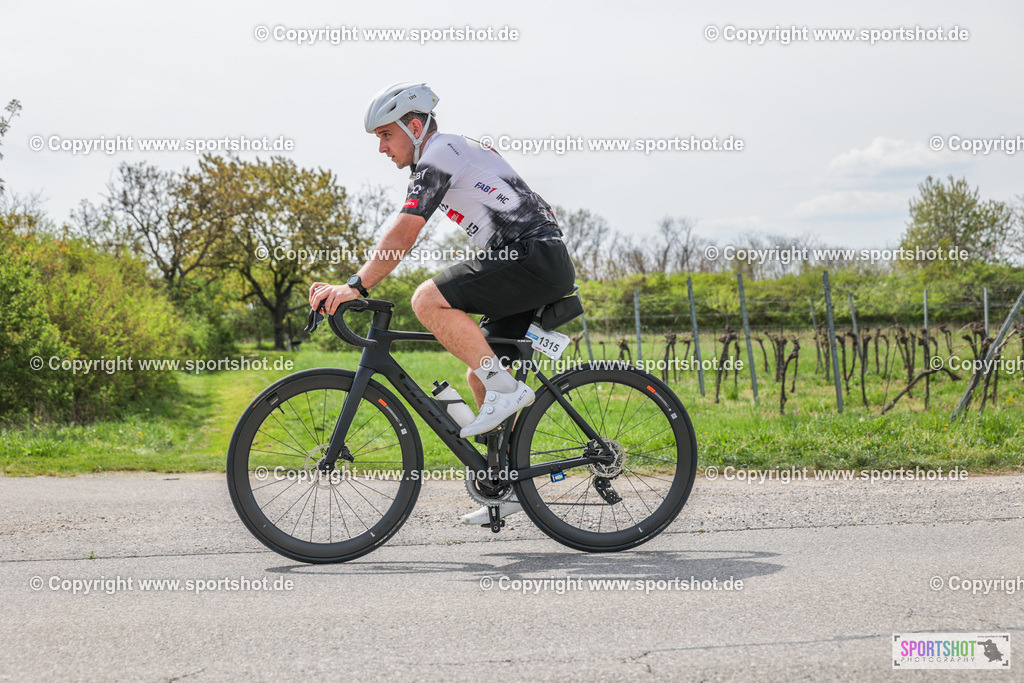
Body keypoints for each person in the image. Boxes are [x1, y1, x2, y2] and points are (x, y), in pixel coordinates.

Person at [309, 82, 576, 525]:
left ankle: (507, 391)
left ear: (415, 127)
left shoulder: (440, 152)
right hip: (532, 259)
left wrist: (356, 285)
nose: (381, 148)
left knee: (427, 299)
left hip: (532, 257)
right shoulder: (449, 151)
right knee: (481, 371)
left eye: (385, 135)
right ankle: (509, 484)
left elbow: (406, 230)